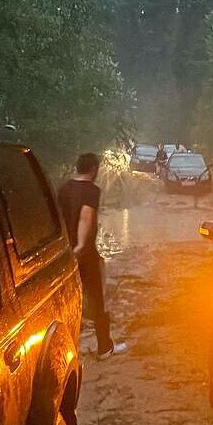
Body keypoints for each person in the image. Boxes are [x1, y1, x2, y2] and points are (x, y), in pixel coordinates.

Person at [57, 153, 128, 358]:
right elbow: (85, 217)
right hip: (85, 254)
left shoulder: (63, 188)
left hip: (63, 253)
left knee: (66, 302)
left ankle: (67, 351)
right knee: (98, 300)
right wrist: (80, 246)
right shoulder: (91, 191)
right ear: (94, 169)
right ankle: (104, 347)